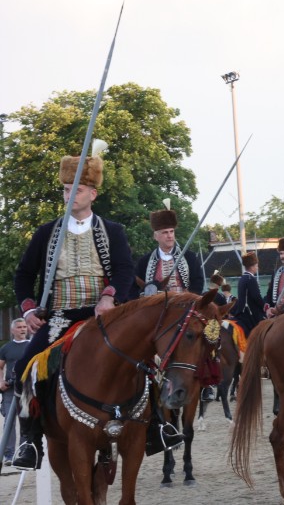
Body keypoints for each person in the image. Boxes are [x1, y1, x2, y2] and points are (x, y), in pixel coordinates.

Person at [12, 150, 135, 470]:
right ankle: (30, 438)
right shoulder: (45, 232)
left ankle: (155, 428)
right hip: (58, 318)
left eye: (76, 189)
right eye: (66, 189)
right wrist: (28, 311)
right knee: (24, 368)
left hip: (101, 316)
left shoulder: (113, 231)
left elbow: (123, 270)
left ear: (92, 194)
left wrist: (109, 297)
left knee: (148, 358)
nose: (69, 195)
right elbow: (23, 276)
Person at [133, 199, 204, 297]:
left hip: (183, 306)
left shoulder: (189, 257)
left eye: (171, 231)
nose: (170, 236)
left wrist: (189, 297)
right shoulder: (144, 261)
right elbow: (134, 287)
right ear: (156, 236)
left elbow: (198, 282)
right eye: (165, 232)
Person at [0, 319, 29, 465]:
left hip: (27, 389)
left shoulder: (32, 346)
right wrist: (0, 382)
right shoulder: (6, 348)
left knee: (25, 420)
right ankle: (8, 455)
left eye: (24, 326)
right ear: (13, 330)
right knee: (9, 422)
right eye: (19, 327)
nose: (22, 329)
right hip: (10, 390)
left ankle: (23, 452)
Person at [230, 251, 266, 337]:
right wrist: (265, 306)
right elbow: (256, 297)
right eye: (257, 265)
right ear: (252, 266)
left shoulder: (243, 278)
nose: (257, 267)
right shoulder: (250, 278)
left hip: (242, 311)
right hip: (250, 313)